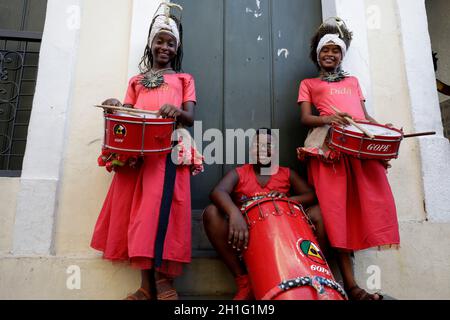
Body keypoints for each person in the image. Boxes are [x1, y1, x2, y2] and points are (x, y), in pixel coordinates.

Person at [90, 4, 197, 300]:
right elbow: (129, 112)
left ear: (177, 48)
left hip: (167, 153)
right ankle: (145, 287)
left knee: (160, 212)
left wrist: (175, 110)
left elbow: (190, 117)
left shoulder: (184, 80)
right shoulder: (135, 82)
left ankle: (164, 281)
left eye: (170, 42)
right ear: (151, 45)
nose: (165, 46)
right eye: (159, 41)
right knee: (139, 216)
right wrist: (117, 105)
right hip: (138, 155)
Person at [297, 18, 400, 300]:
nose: (330, 54)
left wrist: (385, 132)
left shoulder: (353, 82)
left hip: (358, 148)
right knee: (334, 215)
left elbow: (364, 118)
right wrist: (330, 117)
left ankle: (348, 285)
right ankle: (347, 285)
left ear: (342, 54)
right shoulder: (308, 83)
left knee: (358, 212)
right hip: (328, 149)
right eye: (325, 50)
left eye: (336, 50)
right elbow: (306, 118)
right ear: (317, 55)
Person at [202, 129, 325, 300]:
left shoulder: (286, 174)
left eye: (268, 145)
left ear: (275, 150)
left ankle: (314, 270)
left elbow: (311, 195)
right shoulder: (241, 173)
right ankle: (244, 281)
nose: (262, 149)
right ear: (251, 150)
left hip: (283, 242)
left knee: (319, 213)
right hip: (247, 239)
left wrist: (289, 199)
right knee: (212, 212)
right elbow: (218, 191)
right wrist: (234, 213)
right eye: (257, 145)